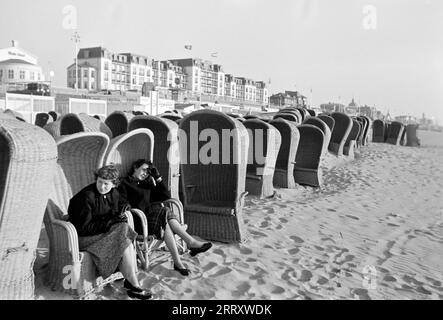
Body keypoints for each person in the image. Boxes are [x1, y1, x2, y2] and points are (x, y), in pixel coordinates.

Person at [68, 165, 152, 300]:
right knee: (123, 231)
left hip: (101, 234)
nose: (102, 187)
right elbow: (83, 229)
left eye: (106, 184)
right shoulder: (86, 197)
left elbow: (120, 202)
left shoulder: (113, 193)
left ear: (114, 184)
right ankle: (132, 283)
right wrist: (111, 222)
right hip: (82, 238)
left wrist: (126, 206)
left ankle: (132, 283)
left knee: (124, 234)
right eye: (99, 182)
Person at [118, 159, 212, 276]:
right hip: (138, 222)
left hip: (153, 219)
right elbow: (123, 205)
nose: (145, 173)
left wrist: (158, 177)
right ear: (135, 167)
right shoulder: (124, 183)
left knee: (165, 220)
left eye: (148, 172)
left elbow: (165, 196)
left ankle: (178, 262)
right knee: (164, 211)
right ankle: (190, 242)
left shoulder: (147, 183)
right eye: (143, 170)